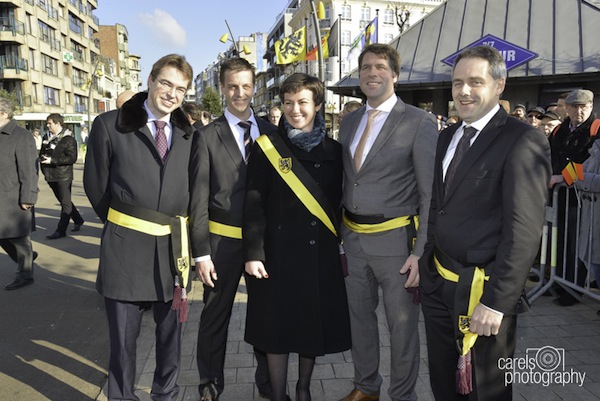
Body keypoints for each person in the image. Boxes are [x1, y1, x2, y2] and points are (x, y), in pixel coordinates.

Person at [420, 45, 550, 401]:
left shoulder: (523, 140)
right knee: (443, 384)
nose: (464, 91)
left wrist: (497, 302)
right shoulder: (448, 136)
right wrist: (425, 257)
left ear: (499, 85)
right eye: (457, 82)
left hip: (484, 293)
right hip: (438, 285)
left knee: (485, 391)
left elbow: (523, 232)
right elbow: (438, 206)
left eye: (475, 82)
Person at [83, 54, 196, 401]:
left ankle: (166, 395)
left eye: (180, 89)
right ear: (150, 80)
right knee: (123, 341)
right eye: (166, 83)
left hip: (172, 254)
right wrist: (127, 224)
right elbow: (95, 186)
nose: (172, 94)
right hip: (126, 250)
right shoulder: (110, 125)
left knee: (171, 337)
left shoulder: (189, 134)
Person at [337, 43, 438, 401]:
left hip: (397, 245)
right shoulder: (349, 122)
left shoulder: (419, 121)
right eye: (365, 67)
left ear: (395, 74)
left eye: (380, 66)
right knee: (359, 320)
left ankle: (403, 395)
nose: (372, 73)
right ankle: (366, 387)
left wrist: (421, 252)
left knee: (402, 327)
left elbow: (429, 193)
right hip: (353, 240)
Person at [244, 72, 351, 401]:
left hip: (318, 255)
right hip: (276, 254)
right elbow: (254, 203)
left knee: (309, 325)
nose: (295, 110)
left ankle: (303, 389)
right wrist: (253, 253)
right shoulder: (267, 148)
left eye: (303, 102)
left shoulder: (334, 150)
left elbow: (337, 203)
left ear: (317, 105)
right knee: (276, 329)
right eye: (288, 102)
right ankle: (279, 395)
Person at [192, 57, 278, 401]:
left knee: (265, 316)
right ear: (222, 88)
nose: (240, 93)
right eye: (232, 86)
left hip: (263, 245)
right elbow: (197, 199)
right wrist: (201, 253)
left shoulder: (272, 132)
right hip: (221, 244)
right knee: (214, 318)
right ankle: (209, 385)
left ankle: (268, 382)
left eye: (245, 86)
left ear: (254, 87)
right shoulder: (206, 136)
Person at [548, 89, 599, 306]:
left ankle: (573, 289)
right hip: (560, 194)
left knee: (577, 245)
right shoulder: (559, 130)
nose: (579, 111)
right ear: (566, 108)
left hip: (584, 198)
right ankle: (558, 282)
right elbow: (551, 156)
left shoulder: (597, 129)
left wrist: (563, 177)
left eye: (583, 107)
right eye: (574, 107)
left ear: (591, 107)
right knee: (560, 241)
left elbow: (588, 165)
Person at [0, 97, 38, 291]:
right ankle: (27, 259)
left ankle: (25, 275)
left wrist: (28, 197)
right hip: (1, 195)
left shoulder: (21, 135)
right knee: (4, 236)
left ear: (3, 114)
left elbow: (29, 170)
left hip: (14, 197)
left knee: (20, 238)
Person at [40, 113, 84, 239]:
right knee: (64, 201)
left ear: (58, 123)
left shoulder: (68, 139)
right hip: (50, 175)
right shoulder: (46, 137)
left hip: (63, 176)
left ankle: (61, 230)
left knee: (65, 203)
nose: (47, 126)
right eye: (47, 124)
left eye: (50, 123)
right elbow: (42, 153)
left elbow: (72, 158)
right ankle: (78, 219)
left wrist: (52, 161)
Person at [576, 138, 600, 296]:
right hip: (591, 216)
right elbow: (574, 173)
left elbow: (577, 176)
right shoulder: (596, 146)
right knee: (593, 261)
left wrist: (582, 178)